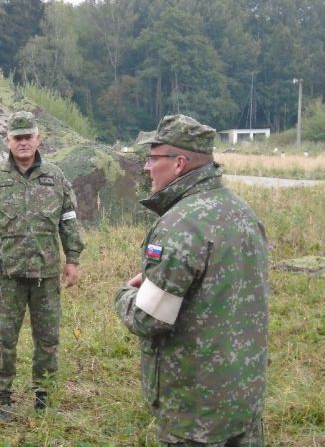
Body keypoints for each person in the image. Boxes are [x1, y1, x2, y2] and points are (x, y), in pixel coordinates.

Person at [114, 114, 269, 446]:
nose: (146, 168)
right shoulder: (242, 211)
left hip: (195, 410)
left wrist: (124, 295)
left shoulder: (180, 225)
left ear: (179, 163)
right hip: (244, 397)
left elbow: (149, 318)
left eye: (153, 158)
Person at [0, 111, 85, 413]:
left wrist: (72, 259)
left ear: (38, 138)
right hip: (6, 277)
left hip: (46, 275)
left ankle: (44, 398)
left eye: (28, 137)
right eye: (17, 137)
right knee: (3, 340)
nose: (23, 142)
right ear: (7, 141)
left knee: (48, 339)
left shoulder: (55, 177)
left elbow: (68, 220)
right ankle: (3, 398)